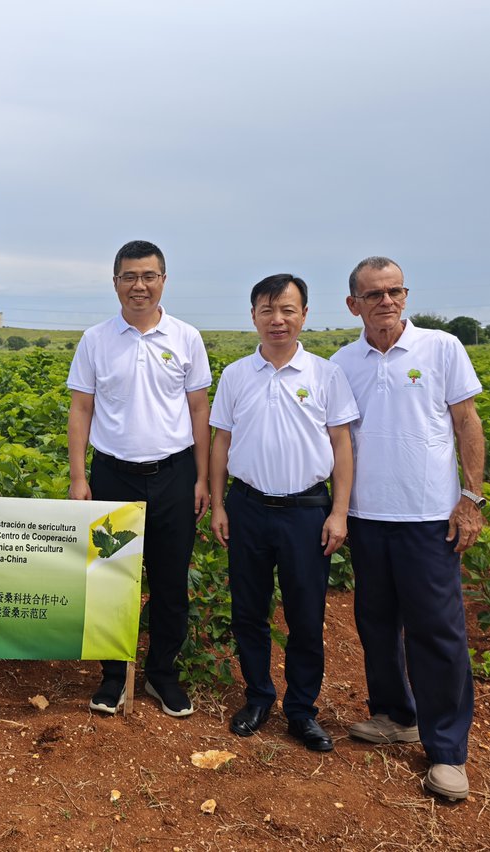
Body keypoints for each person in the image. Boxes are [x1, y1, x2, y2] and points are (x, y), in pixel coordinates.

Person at [331, 256, 486, 801]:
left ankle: (447, 751)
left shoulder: (441, 349)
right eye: (373, 295)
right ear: (353, 305)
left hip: (427, 518)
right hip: (367, 515)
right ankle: (396, 715)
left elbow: (467, 421)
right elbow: (335, 440)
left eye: (395, 291)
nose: (387, 302)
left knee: (436, 632)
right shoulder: (342, 362)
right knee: (375, 623)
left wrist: (470, 498)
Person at [208, 274, 357, 752]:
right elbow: (221, 442)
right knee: (248, 611)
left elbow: (341, 444)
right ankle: (258, 696)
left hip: (306, 512)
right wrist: (218, 503)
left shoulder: (326, 374)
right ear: (253, 316)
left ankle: (301, 710)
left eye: (288, 310)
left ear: (304, 315)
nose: (278, 320)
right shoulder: (236, 375)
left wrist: (339, 511)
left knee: (306, 615)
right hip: (248, 506)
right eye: (268, 310)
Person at [67, 239, 211, 718]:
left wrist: (202, 479)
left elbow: (197, 410)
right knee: (110, 578)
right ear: (115, 283)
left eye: (148, 276)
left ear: (163, 281)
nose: (139, 285)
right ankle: (113, 676)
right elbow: (81, 409)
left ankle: (162, 674)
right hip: (113, 476)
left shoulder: (186, 338)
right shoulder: (96, 340)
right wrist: (78, 477)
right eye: (129, 277)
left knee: (171, 583)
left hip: (174, 474)